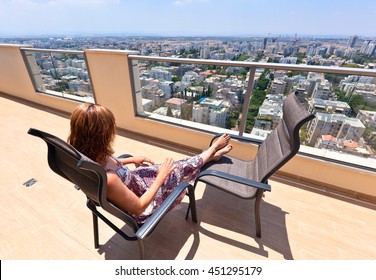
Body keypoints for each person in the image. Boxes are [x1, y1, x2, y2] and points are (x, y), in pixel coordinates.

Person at [68, 103, 233, 224]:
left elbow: (109, 166)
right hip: (144, 202)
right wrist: (161, 176)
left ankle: (209, 156)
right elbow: (139, 207)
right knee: (176, 169)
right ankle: (211, 151)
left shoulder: (84, 157)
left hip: (134, 183)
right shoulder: (110, 180)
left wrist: (131, 160)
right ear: (102, 135)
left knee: (176, 165)